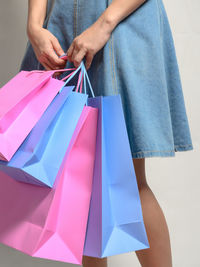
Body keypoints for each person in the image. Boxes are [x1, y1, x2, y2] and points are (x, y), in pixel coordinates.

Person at [21, 0, 193, 266]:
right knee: (80, 182)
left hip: (121, 22)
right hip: (60, 27)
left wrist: (105, 23)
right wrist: (34, 25)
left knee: (128, 182)